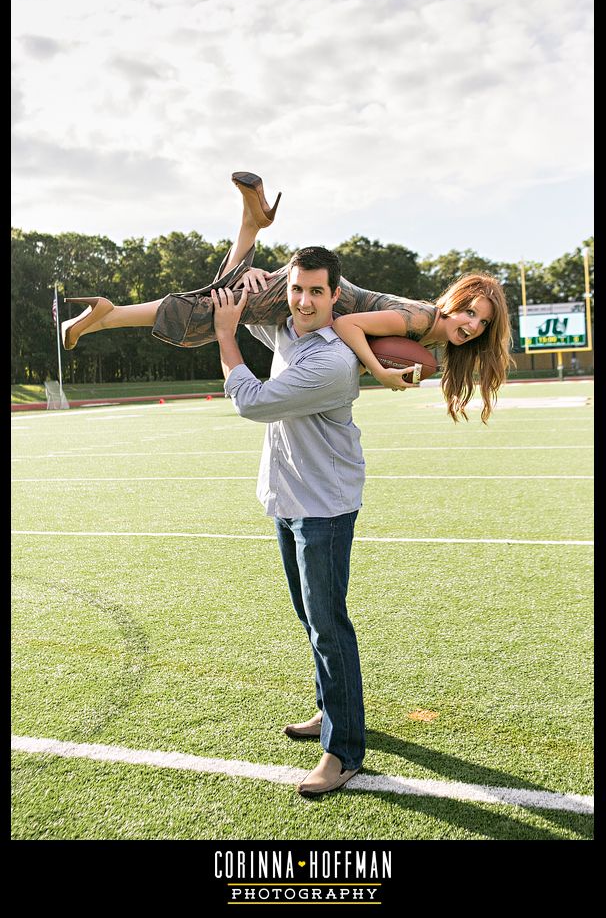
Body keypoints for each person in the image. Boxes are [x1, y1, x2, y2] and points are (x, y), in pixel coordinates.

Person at [60, 172, 513, 422]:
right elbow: (348, 324)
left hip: (315, 299)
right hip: (317, 297)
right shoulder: (419, 320)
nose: (471, 325)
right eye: (470, 312)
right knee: (210, 315)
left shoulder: (433, 329)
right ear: (455, 301)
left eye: (481, 324)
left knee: (225, 297)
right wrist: (380, 371)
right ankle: (110, 313)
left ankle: (250, 222)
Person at [211, 246, 366, 796]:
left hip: (323, 506)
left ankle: (344, 751)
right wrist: (248, 277)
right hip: (289, 499)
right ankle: (332, 712)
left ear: (335, 297)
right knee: (310, 618)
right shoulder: (288, 335)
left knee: (328, 626)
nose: (303, 301)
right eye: (296, 289)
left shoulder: (331, 360)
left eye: (316, 291)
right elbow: (237, 301)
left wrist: (226, 337)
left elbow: (251, 402)